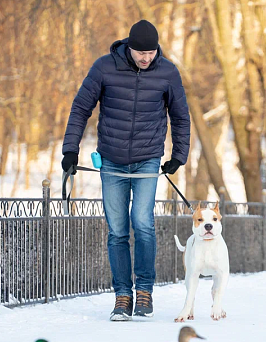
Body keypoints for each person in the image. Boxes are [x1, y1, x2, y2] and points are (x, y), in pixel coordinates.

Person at [61, 20, 190, 321]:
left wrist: (178, 156)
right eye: (140, 52)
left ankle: (144, 290)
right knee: (117, 230)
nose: (145, 58)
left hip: (147, 158)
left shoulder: (168, 72)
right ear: (128, 47)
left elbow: (181, 116)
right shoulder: (104, 67)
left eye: (150, 52)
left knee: (142, 223)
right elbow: (81, 107)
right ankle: (122, 296)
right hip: (112, 159)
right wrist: (70, 150)